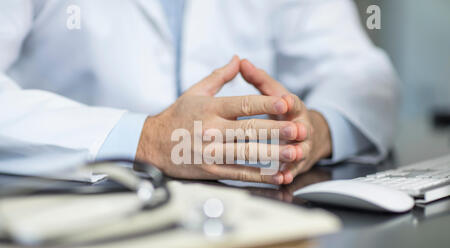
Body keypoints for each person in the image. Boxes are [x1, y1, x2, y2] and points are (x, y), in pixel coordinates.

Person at [0, 0, 399, 184]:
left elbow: (360, 71)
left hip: (249, 213)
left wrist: (315, 131)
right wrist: (149, 138)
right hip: (68, 197)